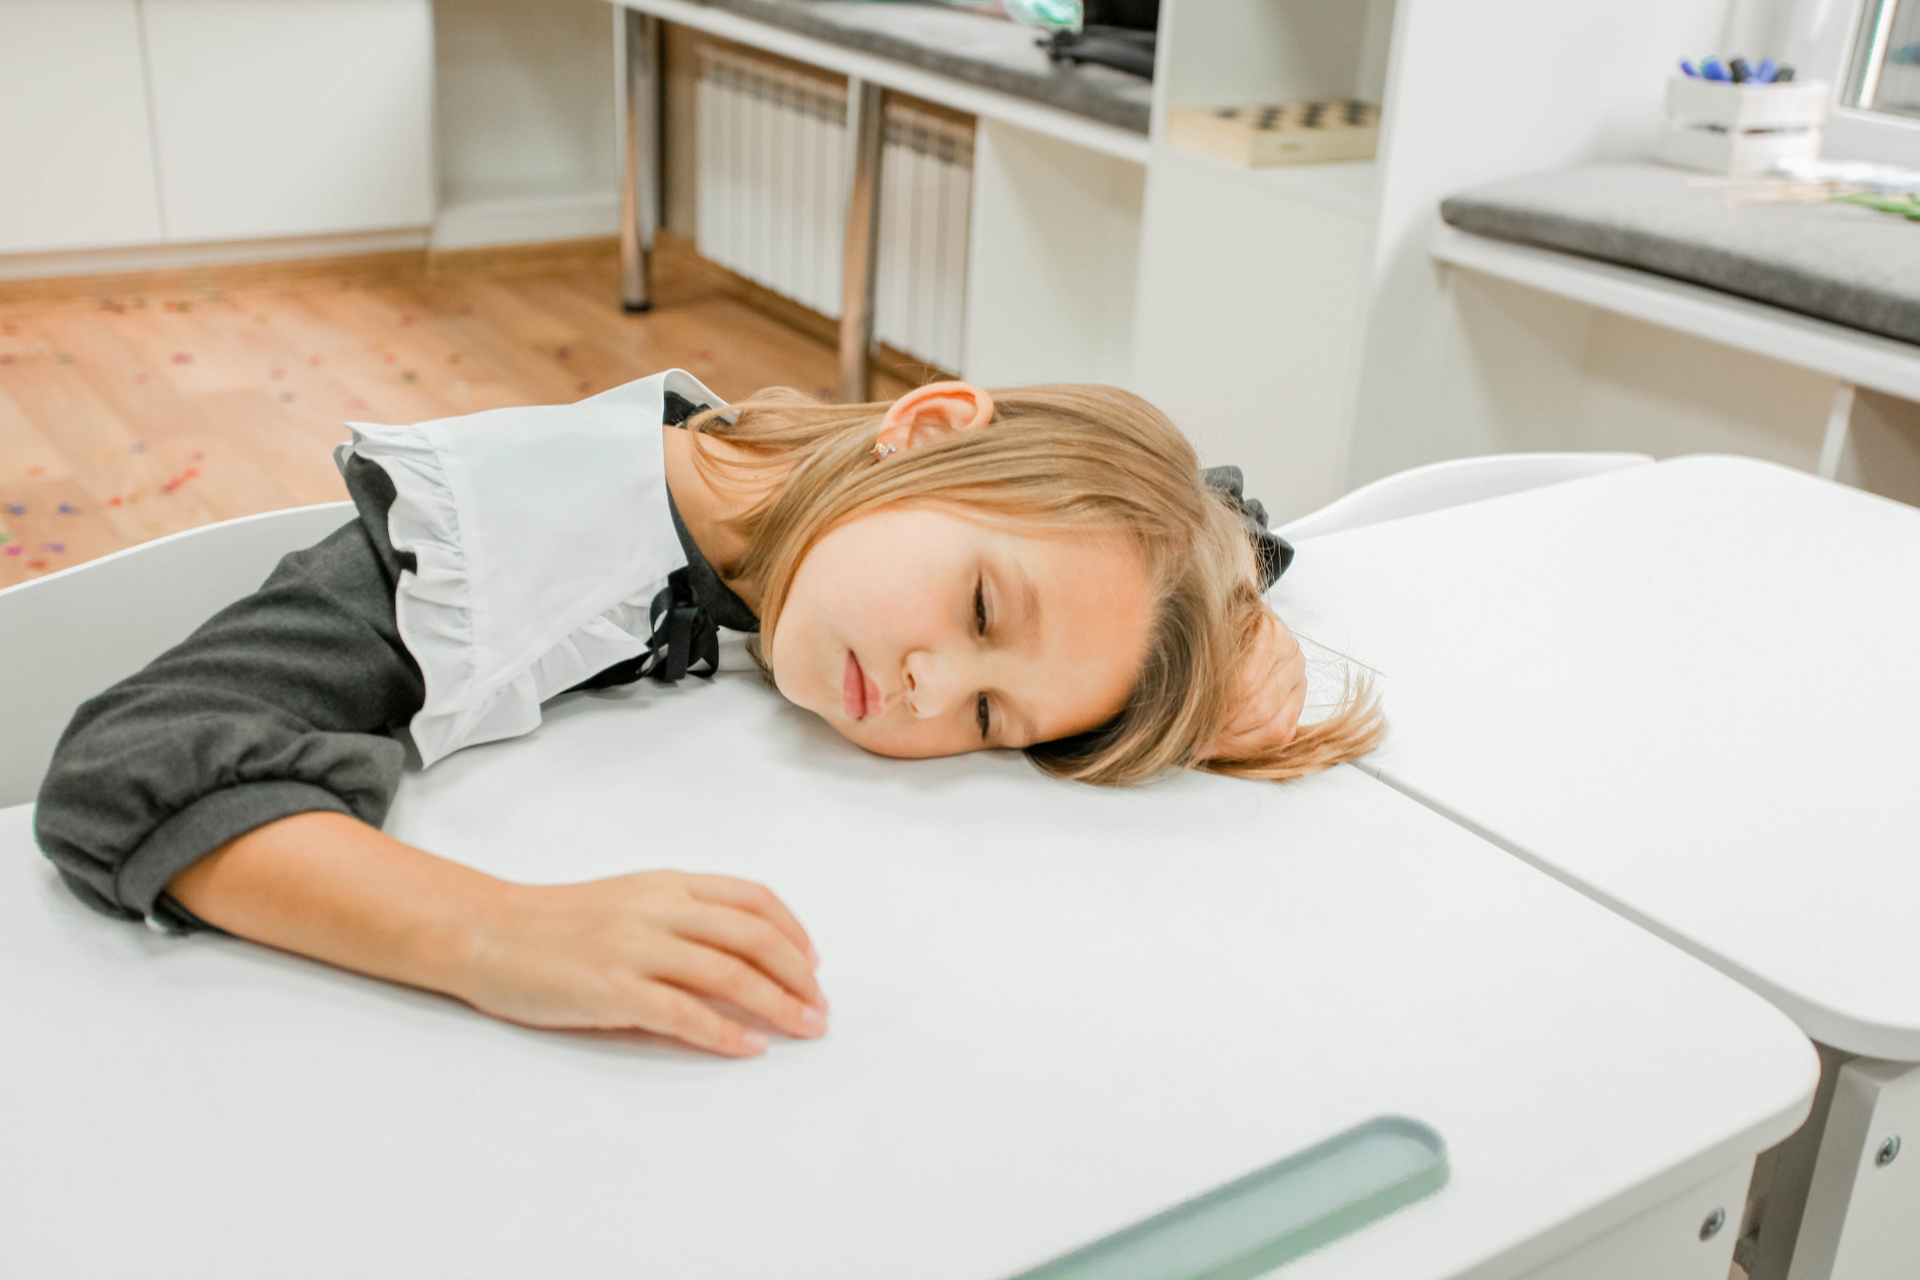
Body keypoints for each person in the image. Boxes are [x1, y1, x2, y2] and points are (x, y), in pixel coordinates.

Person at [35, 374, 1382, 1059]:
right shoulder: (481, 543)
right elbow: (126, 765)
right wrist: (495, 934)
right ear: (925, 429)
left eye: (988, 716)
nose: (929, 689)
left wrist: (1229, 609)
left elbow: (1217, 495)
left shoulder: (815, 504)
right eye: (981, 610)